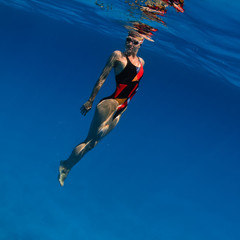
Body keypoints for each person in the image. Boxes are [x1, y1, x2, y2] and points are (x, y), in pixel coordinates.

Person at [58, 31, 145, 186]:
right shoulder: (117, 56)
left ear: (141, 43)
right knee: (88, 140)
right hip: (109, 104)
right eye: (128, 40)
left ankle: (68, 165)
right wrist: (90, 100)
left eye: (134, 42)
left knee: (93, 144)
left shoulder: (141, 62)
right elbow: (102, 78)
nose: (130, 44)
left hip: (121, 108)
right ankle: (66, 165)